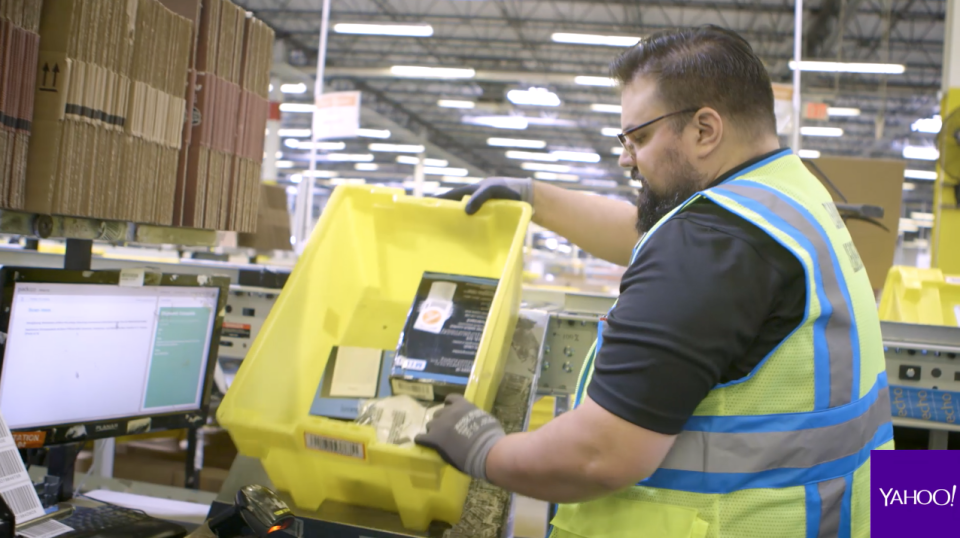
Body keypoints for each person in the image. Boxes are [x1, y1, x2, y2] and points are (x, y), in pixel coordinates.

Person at [416, 25, 893, 537]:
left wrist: (486, 449)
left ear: (705, 130)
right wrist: (532, 196)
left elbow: (600, 454)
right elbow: (649, 236)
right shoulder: (786, 195)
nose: (626, 157)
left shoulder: (710, 243)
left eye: (639, 138)